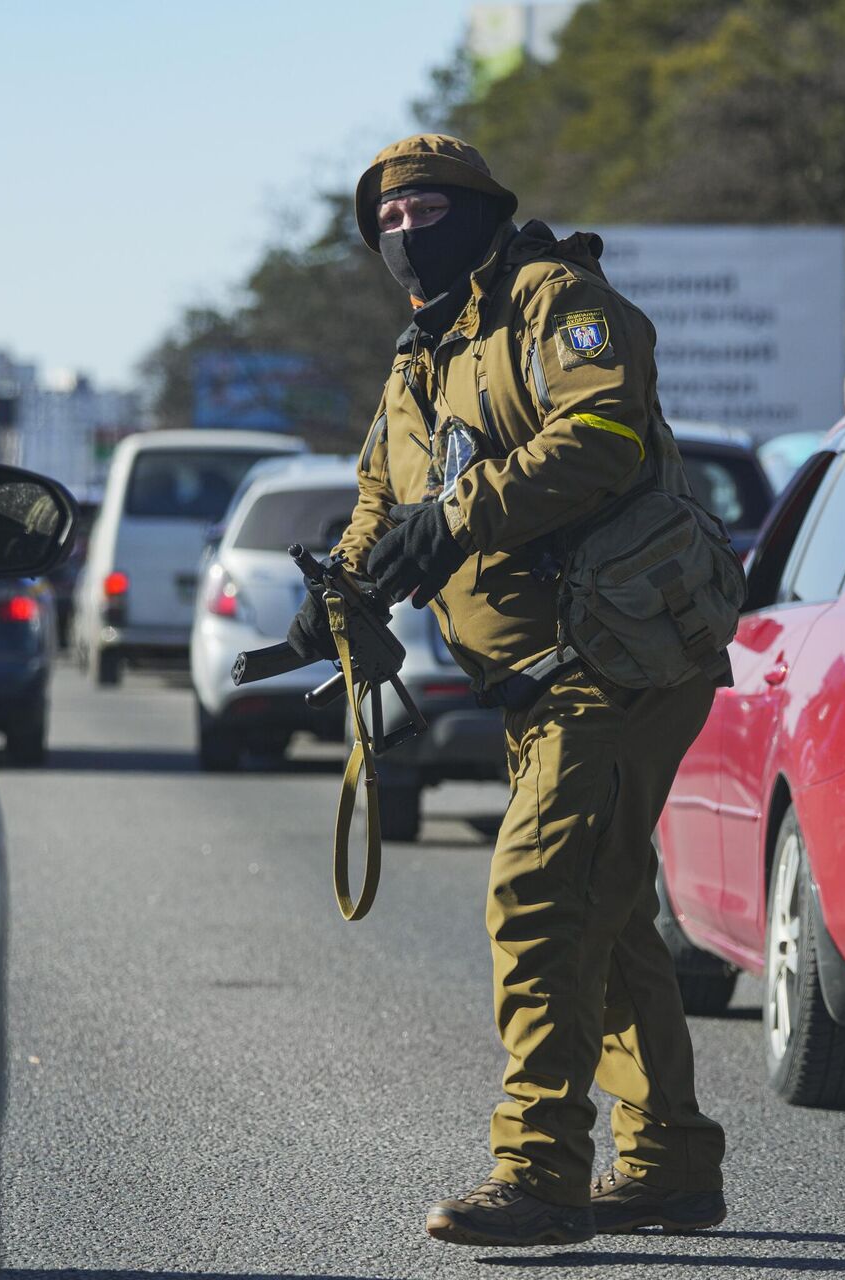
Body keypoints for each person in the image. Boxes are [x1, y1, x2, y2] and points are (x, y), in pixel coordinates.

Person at [286, 134, 727, 1248]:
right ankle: (671, 1162)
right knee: (609, 910)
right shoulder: (418, 356)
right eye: (384, 219)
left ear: (482, 209)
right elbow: (384, 499)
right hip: (535, 682)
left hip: (614, 663)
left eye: (426, 207)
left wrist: (460, 514)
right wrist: (343, 592)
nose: (405, 231)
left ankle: (539, 1171)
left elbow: (604, 433)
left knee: (538, 900)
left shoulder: (554, 300)